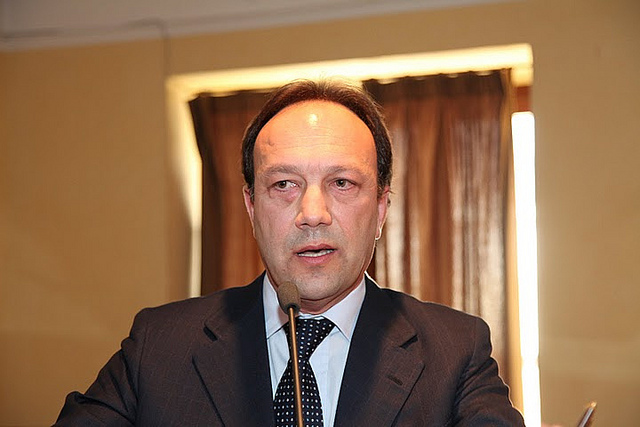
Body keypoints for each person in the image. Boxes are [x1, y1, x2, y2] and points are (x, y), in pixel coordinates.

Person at [56, 79, 525, 426]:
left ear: (382, 208)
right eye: (284, 184)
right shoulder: (158, 346)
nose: (312, 214)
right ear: (251, 207)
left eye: (342, 183)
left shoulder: (455, 352)